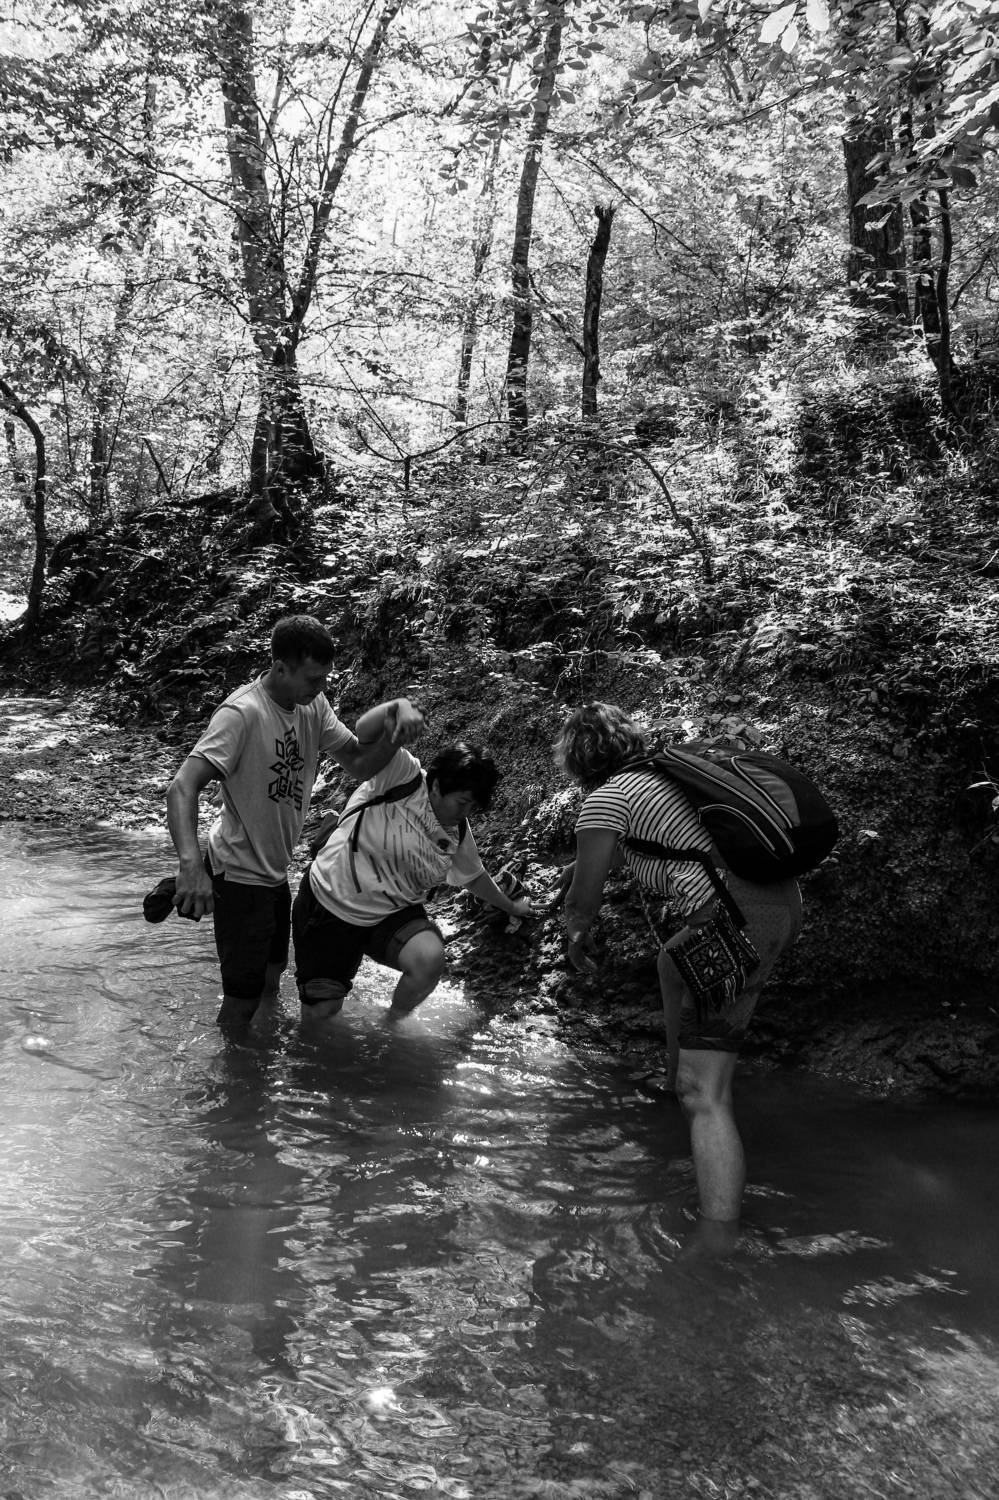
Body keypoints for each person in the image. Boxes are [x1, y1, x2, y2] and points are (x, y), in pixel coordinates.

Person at [554, 702, 801, 1251]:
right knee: (673, 960)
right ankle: (673, 1085)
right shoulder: (664, 778)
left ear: (575, 759)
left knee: (706, 1094)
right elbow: (664, 847)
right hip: (778, 906)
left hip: (735, 923)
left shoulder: (604, 800)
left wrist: (576, 930)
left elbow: (585, 899)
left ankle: (718, 1238)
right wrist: (584, 866)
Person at [165, 614, 424, 1035]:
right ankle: (233, 1070)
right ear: (280, 668)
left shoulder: (312, 705)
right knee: (242, 998)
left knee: (273, 974)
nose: (321, 687)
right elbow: (182, 787)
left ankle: (265, 1051)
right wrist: (190, 866)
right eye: (313, 678)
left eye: (325, 678)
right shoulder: (241, 713)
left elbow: (358, 762)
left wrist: (394, 731)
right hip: (239, 873)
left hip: (273, 873)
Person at [292, 741, 538, 1025]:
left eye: (473, 806)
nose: (466, 812)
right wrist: (396, 721)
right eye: (462, 802)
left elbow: (474, 877)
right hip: (330, 906)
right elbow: (368, 737)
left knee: (429, 959)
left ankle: (390, 1026)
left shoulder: (456, 828)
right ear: (436, 786)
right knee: (319, 1018)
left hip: (390, 913)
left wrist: (512, 907)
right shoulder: (401, 775)